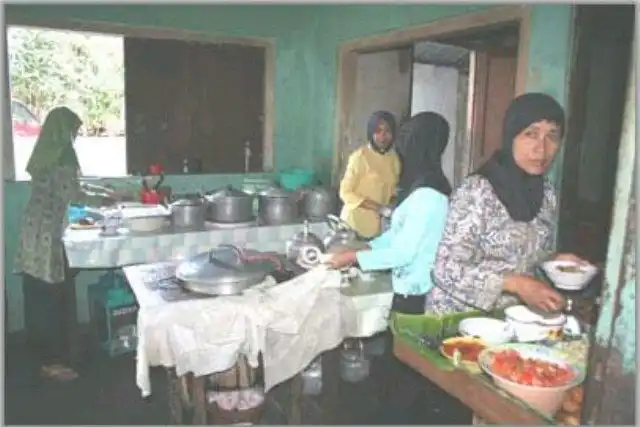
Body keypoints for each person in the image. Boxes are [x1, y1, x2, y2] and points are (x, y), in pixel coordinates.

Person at [327, 112, 452, 423]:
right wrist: (365, 246)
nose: (399, 145)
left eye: (406, 139)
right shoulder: (420, 186)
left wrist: (354, 258)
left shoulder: (429, 196)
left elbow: (404, 251)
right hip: (408, 289)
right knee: (397, 366)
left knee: (408, 375)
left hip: (419, 294)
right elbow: (396, 236)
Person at [427, 93, 588, 315]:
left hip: (512, 320)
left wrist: (554, 261)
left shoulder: (547, 192)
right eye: (530, 134)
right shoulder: (478, 191)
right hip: (458, 321)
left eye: (552, 136)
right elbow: (445, 271)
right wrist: (515, 284)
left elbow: (526, 255)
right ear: (511, 136)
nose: (541, 148)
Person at [15, 106, 120, 382]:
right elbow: (73, 193)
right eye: (73, 130)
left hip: (32, 230)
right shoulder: (63, 156)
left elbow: (71, 186)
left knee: (38, 293)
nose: (75, 136)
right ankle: (51, 361)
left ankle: (45, 355)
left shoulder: (45, 151)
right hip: (47, 234)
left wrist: (104, 192)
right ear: (64, 131)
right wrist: (105, 200)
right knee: (51, 296)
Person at [338, 111, 401, 239]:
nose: (383, 136)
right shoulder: (360, 157)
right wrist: (378, 208)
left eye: (387, 131)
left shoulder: (394, 159)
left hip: (377, 228)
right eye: (378, 131)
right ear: (371, 132)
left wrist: (392, 206)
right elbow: (345, 192)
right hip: (353, 226)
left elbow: (393, 190)